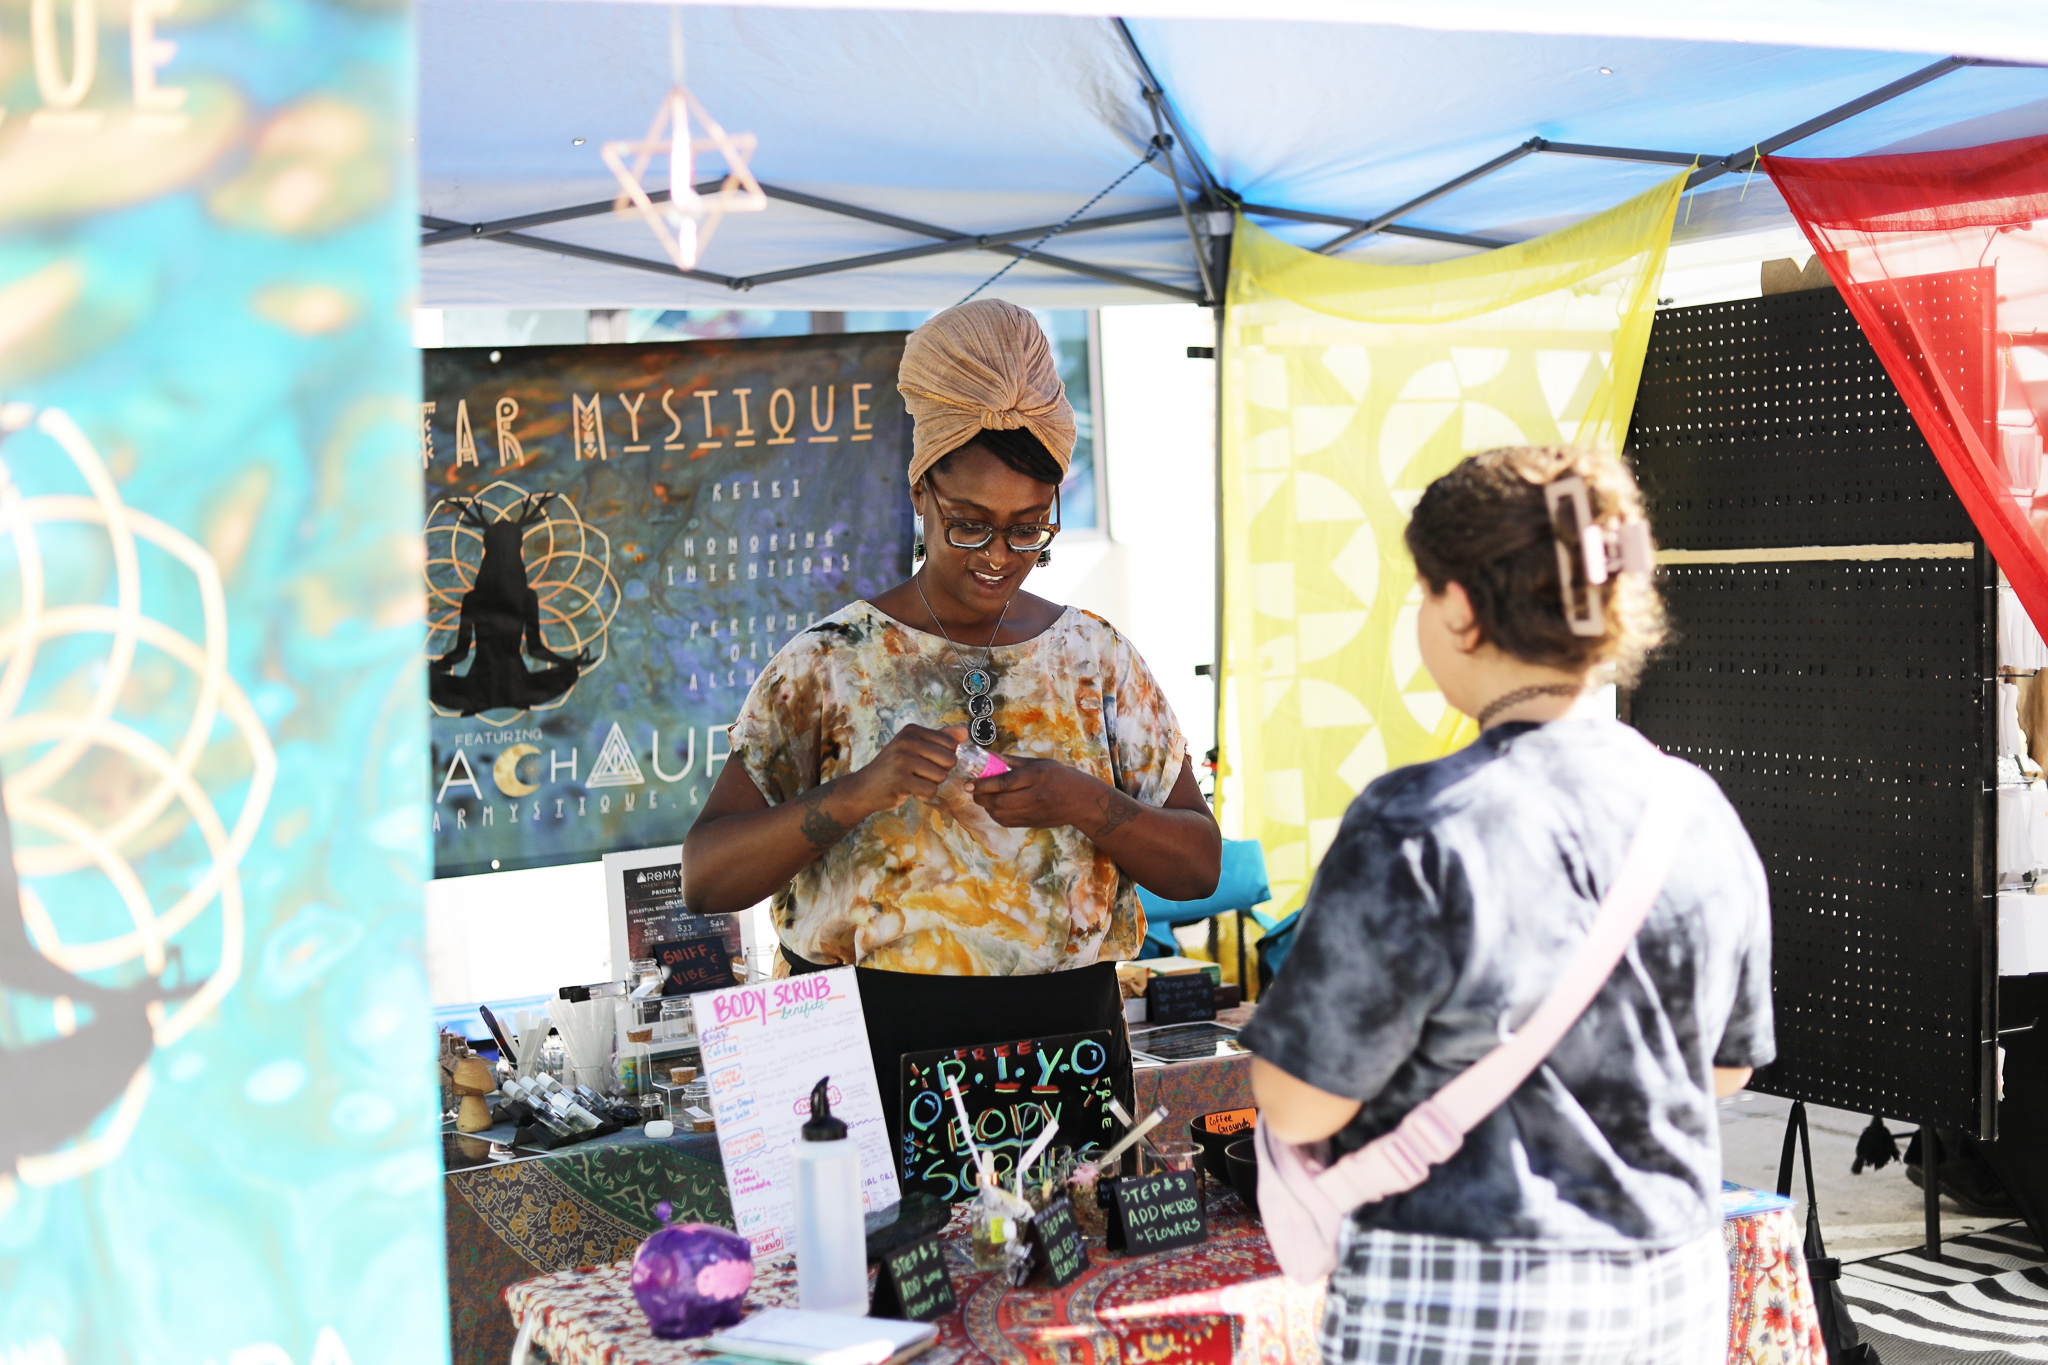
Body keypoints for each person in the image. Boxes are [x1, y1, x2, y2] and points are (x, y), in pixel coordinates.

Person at [1246, 445, 1773, 1365]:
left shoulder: (1414, 821)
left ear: (1459, 609)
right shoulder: (1695, 807)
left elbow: (1297, 1104)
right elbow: (1726, 1070)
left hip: (1462, 1292)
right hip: (1670, 1288)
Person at [683, 299, 1221, 1154]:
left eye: (1028, 529)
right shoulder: (830, 663)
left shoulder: (1097, 659)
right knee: (880, 1251)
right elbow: (707, 878)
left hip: (1065, 1055)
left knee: (1071, 1243)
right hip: (863, 1058)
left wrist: (1086, 803)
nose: (998, 556)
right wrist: (858, 793)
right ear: (919, 493)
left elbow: (1198, 864)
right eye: (968, 524)